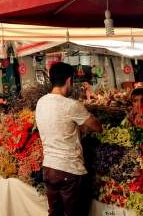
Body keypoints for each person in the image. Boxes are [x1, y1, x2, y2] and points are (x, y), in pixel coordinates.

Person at [35, 62, 102, 216]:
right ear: (69, 80)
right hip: (69, 170)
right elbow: (97, 127)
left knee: (55, 213)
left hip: (49, 168)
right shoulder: (71, 105)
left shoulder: (41, 102)